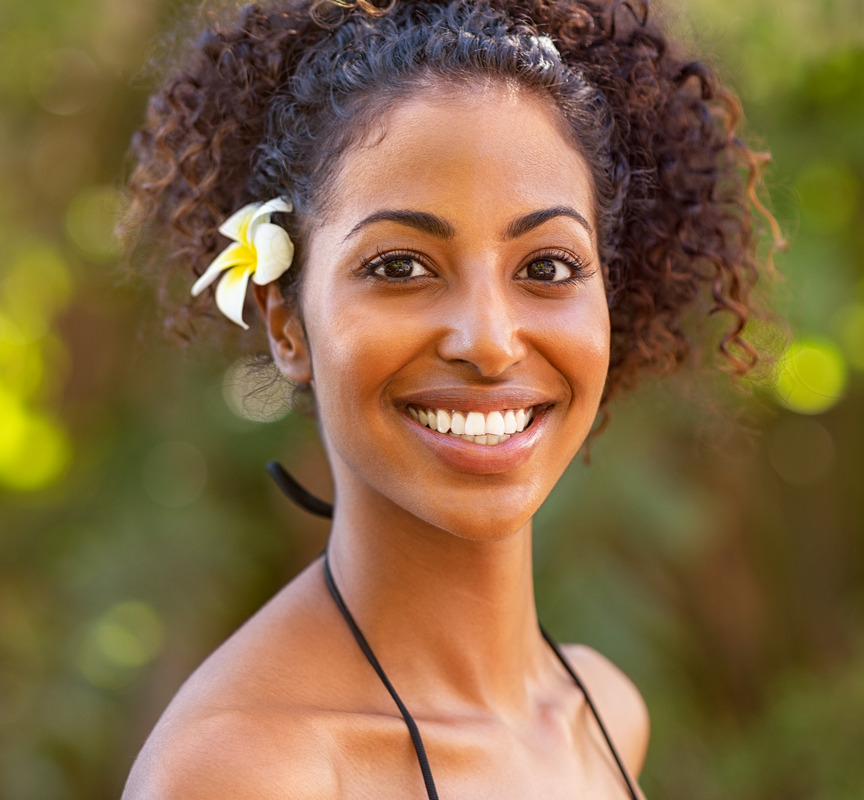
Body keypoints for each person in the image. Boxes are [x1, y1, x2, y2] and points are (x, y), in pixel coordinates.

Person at [120, 0, 773, 796]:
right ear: (286, 323)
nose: (491, 340)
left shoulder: (601, 710)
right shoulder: (248, 772)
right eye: (399, 266)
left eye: (549, 267)